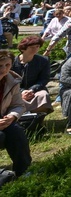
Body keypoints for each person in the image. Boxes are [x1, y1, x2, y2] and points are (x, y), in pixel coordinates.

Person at [0, 49, 32, 177]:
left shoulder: (12, 81)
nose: (4, 68)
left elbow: (18, 105)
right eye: (0, 65)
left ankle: (23, 170)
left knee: (16, 131)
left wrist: (12, 117)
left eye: (7, 65)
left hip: (3, 120)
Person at [12, 36, 53, 114]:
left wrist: (32, 90)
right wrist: (22, 91)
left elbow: (44, 79)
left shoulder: (43, 61)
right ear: (23, 48)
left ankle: (36, 121)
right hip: (14, 90)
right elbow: (9, 79)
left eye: (37, 47)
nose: (35, 49)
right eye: (31, 47)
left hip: (35, 89)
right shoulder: (12, 62)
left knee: (43, 95)